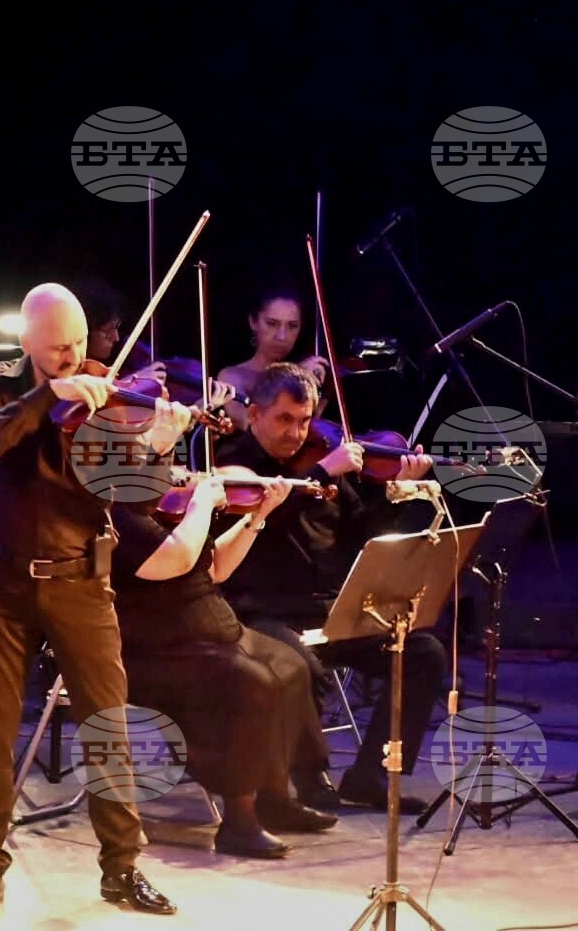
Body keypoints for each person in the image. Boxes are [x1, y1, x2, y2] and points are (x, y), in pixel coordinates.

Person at [0, 283, 188, 917]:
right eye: (59, 346)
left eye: (80, 343)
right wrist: (48, 394)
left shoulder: (105, 395)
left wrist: (158, 447)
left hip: (82, 577)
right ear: (26, 341)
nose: (74, 356)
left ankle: (122, 869)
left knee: (108, 725)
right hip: (6, 578)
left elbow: (137, 497)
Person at [217, 362, 446, 814]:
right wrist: (321, 473)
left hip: (327, 610)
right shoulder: (234, 462)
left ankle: (369, 776)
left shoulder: (322, 463)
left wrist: (396, 493)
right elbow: (263, 519)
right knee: (303, 666)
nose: (296, 433)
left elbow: (362, 534)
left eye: (304, 421)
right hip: (259, 611)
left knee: (423, 653)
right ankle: (307, 777)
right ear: (256, 414)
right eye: (284, 419)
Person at [109, 465, 337, 859]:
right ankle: (239, 821)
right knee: (249, 682)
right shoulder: (122, 514)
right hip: (155, 646)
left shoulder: (169, 509)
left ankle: (276, 798)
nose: (176, 474)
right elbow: (176, 560)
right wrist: (201, 504)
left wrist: (257, 516)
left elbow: (216, 569)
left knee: (291, 665)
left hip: (210, 630)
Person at [215, 285, 331, 440]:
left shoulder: (309, 373)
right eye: (271, 323)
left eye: (292, 326)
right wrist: (295, 377)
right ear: (253, 322)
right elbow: (249, 423)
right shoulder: (232, 376)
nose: (282, 336)